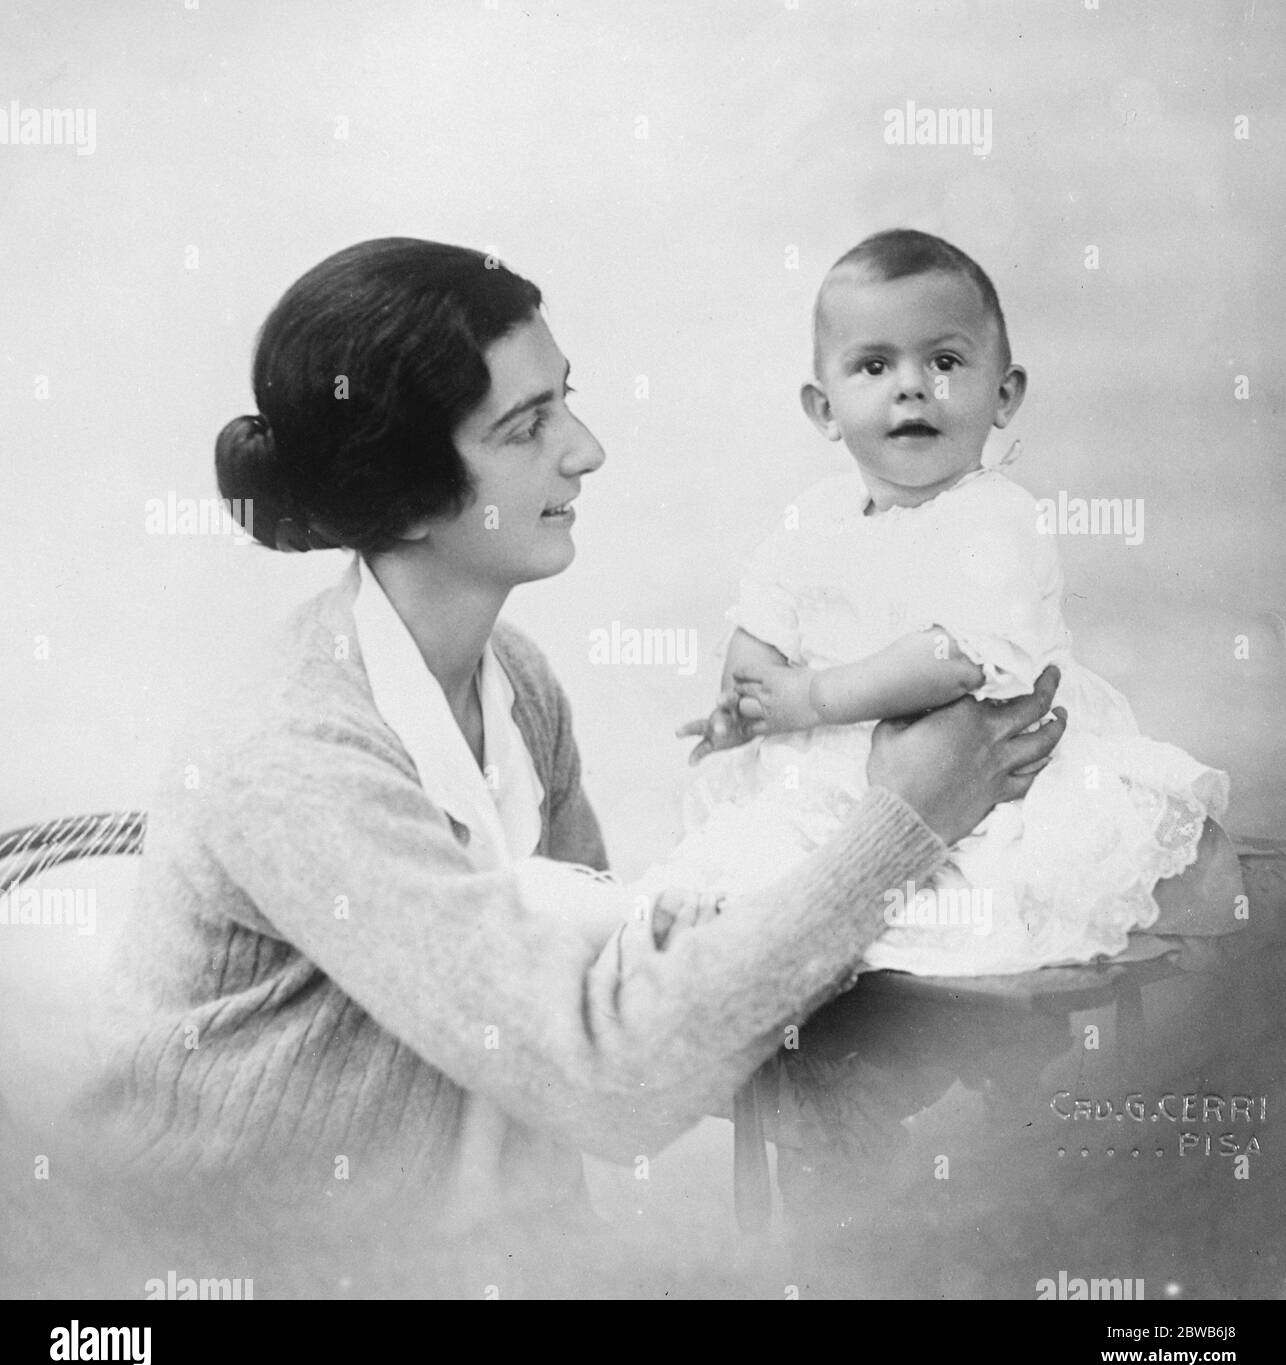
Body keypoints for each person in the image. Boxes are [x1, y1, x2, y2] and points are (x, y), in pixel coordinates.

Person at [73, 238, 1068, 1254]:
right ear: (406, 494)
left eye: (566, 398)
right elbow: (605, 1079)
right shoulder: (290, 753)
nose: (585, 448)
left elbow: (619, 983)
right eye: (525, 426)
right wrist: (902, 822)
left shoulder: (518, 686)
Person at [669, 229, 1241, 976]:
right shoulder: (814, 519)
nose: (912, 387)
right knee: (757, 865)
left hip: (984, 772)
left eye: (944, 361)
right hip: (842, 773)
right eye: (874, 365)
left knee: (1002, 892)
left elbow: (954, 660)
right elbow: (763, 626)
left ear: (1004, 395)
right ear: (824, 408)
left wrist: (810, 695)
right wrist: (741, 700)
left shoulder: (993, 517)